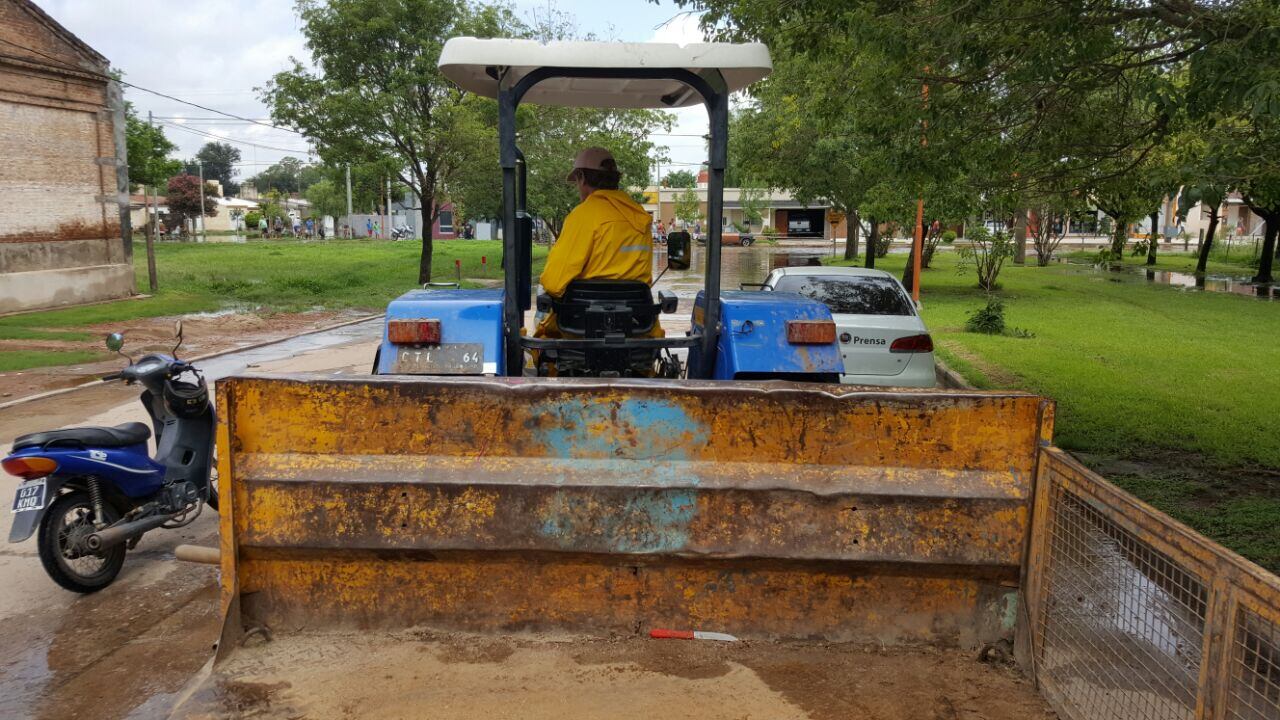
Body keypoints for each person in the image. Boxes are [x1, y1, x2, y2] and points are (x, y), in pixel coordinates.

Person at [535, 146, 659, 340]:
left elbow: (553, 282)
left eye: (576, 181)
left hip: (580, 330)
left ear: (582, 178)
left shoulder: (582, 216)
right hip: (635, 328)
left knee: (542, 305)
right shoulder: (640, 217)